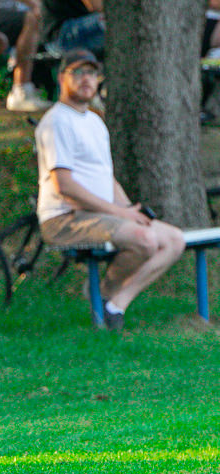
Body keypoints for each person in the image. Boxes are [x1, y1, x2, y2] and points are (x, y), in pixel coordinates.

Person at [35, 50, 184, 329]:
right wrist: (120, 213)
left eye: (91, 73)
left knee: (175, 240)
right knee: (145, 240)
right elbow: (64, 186)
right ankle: (101, 295)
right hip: (64, 219)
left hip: (99, 214)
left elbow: (107, 177)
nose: (86, 79)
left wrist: (129, 210)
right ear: (61, 78)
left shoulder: (94, 121)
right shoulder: (56, 121)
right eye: (77, 73)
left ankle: (115, 304)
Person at [0, 0, 52, 111]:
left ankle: (26, 88)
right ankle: (21, 91)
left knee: (31, 21)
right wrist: (37, 5)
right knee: (32, 19)